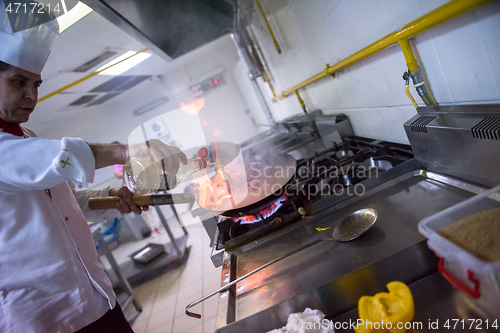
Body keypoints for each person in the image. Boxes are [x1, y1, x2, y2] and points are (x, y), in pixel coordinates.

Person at [0, 3, 186, 332]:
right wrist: (127, 151)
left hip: (96, 297)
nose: (31, 95)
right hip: (46, 319)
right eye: (19, 82)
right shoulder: (14, 149)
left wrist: (111, 195)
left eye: (36, 85)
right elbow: (55, 158)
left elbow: (68, 201)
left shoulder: (26, 136)